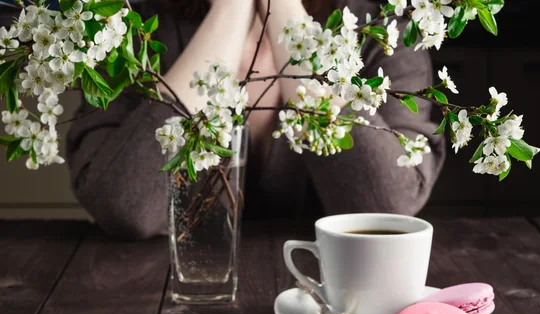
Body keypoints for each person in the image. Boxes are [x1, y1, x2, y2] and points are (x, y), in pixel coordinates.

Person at [66, 0, 446, 240]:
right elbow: (123, 206)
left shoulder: (383, 23)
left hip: (332, 301)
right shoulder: (129, 19)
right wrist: (229, 10)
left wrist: (284, 11)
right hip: (160, 302)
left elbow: (385, 208)